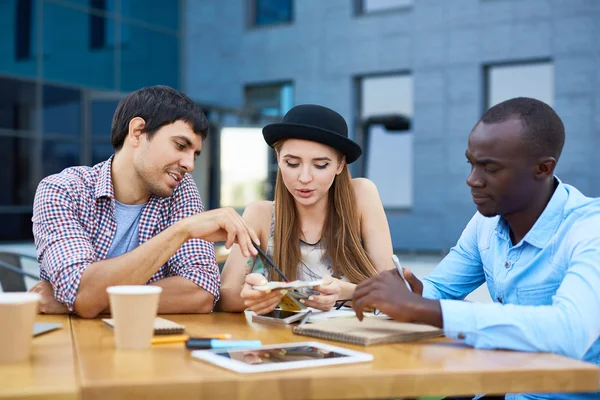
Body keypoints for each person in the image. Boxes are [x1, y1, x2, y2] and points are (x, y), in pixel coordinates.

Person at [352, 97, 600, 400]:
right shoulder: (487, 222)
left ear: (543, 168)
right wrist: (415, 293)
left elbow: (570, 332)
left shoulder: (590, 229)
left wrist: (421, 307)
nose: (472, 180)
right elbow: (440, 290)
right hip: (497, 385)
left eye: (490, 168)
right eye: (471, 164)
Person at [29, 86, 259, 318]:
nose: (189, 165)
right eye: (180, 146)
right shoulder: (62, 190)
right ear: (138, 131)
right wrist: (181, 231)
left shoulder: (181, 189)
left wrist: (86, 303)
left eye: (194, 154)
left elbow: (201, 294)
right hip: (73, 347)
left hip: (152, 345)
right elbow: (83, 293)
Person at [218, 104, 394, 314]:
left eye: (320, 165)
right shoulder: (260, 214)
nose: (304, 178)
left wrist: (345, 292)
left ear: (340, 165)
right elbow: (224, 295)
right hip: (285, 343)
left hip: (357, 341)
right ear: (278, 159)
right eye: (292, 163)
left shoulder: (362, 195)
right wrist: (254, 296)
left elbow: (393, 294)